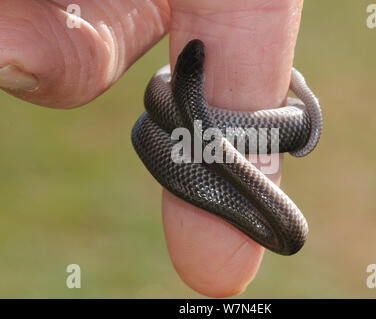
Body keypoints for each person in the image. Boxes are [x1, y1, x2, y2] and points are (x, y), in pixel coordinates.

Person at [0, 0, 304, 297]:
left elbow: (183, 111)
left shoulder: (176, 101)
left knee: (155, 125)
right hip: (179, 118)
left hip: (181, 115)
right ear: (195, 80)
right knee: (152, 127)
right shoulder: (172, 105)